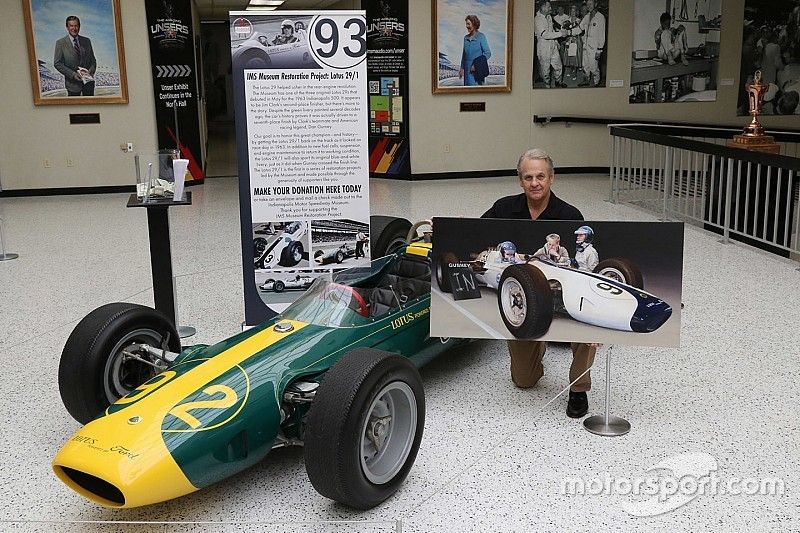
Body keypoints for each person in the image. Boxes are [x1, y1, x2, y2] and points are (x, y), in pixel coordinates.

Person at [482, 148, 597, 418]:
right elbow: (477, 230)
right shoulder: (503, 208)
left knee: (590, 326)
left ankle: (579, 387)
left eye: (541, 177)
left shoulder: (571, 216)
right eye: (528, 177)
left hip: (560, 289)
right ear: (520, 180)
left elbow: (581, 267)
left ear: (552, 178)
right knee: (524, 380)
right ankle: (541, 342)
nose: (535, 183)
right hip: (525, 293)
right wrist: (448, 228)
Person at [53, 15, 96, 96]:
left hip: (88, 84)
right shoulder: (60, 43)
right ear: (67, 27)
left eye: (76, 26)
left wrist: (92, 69)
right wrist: (73, 75)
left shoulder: (87, 41)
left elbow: (93, 60)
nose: (74, 28)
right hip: (72, 85)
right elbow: (57, 63)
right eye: (71, 26)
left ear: (79, 26)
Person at [535, 1, 567, 88]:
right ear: (542, 7)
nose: (550, 9)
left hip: (553, 45)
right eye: (549, 7)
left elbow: (551, 30)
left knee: (559, 66)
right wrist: (560, 33)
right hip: (543, 48)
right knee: (546, 71)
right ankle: (547, 86)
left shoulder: (548, 16)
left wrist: (556, 42)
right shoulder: (537, 19)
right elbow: (545, 34)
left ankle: (558, 82)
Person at [576, 0, 605, 86]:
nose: (589, 6)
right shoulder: (587, 16)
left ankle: (596, 83)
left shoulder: (600, 17)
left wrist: (599, 50)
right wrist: (569, 31)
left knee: (593, 67)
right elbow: (580, 28)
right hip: (586, 44)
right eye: (587, 4)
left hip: (595, 47)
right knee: (585, 65)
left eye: (590, 4)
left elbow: (602, 34)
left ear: (595, 4)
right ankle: (586, 80)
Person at [459, 15, 491, 86]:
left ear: (474, 24)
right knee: (466, 93)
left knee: (476, 94)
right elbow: (464, 55)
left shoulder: (481, 37)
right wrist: (461, 68)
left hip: (477, 71)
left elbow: (488, 53)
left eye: (468, 24)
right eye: (466, 24)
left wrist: (476, 65)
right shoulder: (465, 38)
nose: (466, 26)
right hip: (466, 71)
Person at [562, 4, 583, 82]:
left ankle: (575, 73)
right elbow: (564, 30)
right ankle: (571, 70)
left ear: (576, 12)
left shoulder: (579, 20)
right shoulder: (567, 20)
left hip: (576, 40)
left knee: (575, 57)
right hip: (569, 40)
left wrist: (573, 33)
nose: (573, 12)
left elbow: (580, 31)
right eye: (571, 11)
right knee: (569, 56)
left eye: (574, 11)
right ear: (570, 12)